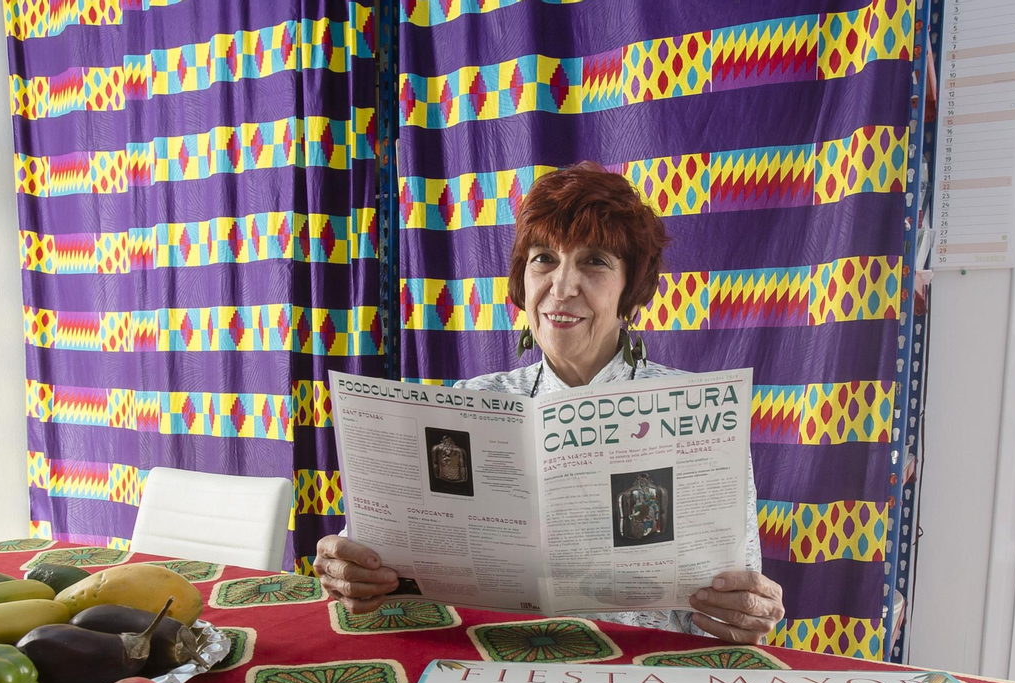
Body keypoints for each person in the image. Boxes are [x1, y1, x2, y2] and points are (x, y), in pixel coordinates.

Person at [315, 162, 785, 644]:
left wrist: (745, 614)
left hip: (637, 670)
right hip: (485, 660)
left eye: (595, 261)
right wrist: (352, 569)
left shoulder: (696, 415)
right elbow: (376, 566)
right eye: (544, 258)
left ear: (631, 289)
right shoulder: (466, 403)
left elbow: (725, 620)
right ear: (523, 280)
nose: (562, 287)